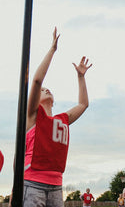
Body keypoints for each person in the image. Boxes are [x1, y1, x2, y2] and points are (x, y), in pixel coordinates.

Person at [23, 27, 92, 207]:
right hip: (32, 182)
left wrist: (80, 77)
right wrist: (52, 50)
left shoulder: (62, 119)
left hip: (55, 184)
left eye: (48, 89)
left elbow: (83, 104)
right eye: (43, 90)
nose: (46, 89)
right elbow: (37, 80)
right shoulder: (32, 116)